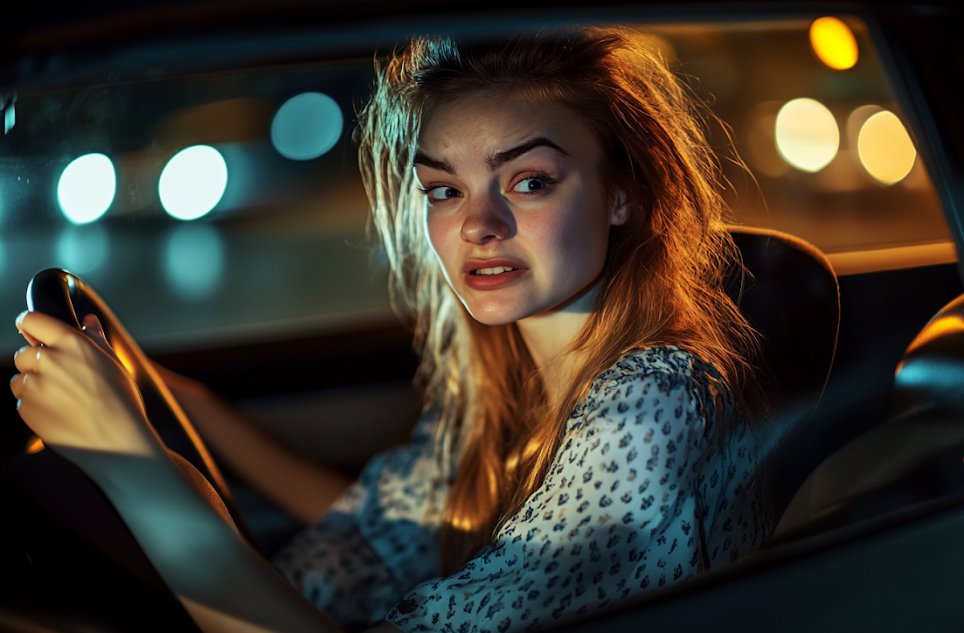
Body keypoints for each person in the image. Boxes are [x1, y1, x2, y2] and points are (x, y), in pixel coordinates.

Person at [10, 26, 771, 633]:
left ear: (622, 194)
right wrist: (187, 407)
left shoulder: (651, 404)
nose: (478, 223)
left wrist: (140, 469)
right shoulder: (513, 388)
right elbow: (384, 525)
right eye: (443, 188)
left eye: (529, 180)